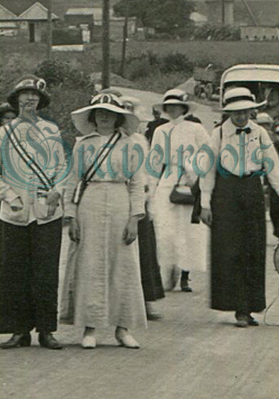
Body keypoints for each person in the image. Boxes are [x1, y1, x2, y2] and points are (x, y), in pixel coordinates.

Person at [0, 76, 72, 350]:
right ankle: (19, 331)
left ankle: (46, 330)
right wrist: (9, 196)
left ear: (41, 101)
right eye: (25, 95)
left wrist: (58, 190)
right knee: (14, 273)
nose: (30, 99)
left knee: (45, 273)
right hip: (15, 212)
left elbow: (62, 167)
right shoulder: (4, 133)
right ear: (16, 99)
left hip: (46, 211)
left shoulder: (51, 130)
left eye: (35, 95)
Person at [198, 87, 279, 328]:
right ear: (229, 113)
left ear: (252, 111)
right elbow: (208, 170)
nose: (241, 117)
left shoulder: (261, 133)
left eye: (245, 112)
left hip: (252, 189)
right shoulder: (219, 134)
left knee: (252, 248)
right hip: (226, 192)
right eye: (236, 112)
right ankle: (237, 308)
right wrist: (205, 204)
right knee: (229, 250)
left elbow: (273, 168)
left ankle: (248, 307)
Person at [59, 93, 149, 349]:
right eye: (99, 112)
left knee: (123, 264)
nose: (104, 117)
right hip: (91, 202)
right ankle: (89, 328)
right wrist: (71, 216)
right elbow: (72, 181)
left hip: (121, 201)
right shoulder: (83, 144)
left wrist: (134, 219)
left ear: (118, 116)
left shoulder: (130, 144)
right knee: (90, 263)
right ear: (92, 116)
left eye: (109, 112)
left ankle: (123, 328)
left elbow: (137, 183)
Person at [148, 89, 209, 293]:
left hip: (191, 180)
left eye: (177, 105)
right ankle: (168, 270)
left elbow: (207, 154)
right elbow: (155, 162)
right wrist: (151, 187)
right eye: (169, 105)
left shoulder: (196, 129)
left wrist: (195, 173)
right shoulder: (160, 130)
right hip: (168, 179)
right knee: (165, 229)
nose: (173, 109)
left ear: (184, 107)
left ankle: (185, 275)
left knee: (189, 231)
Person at [121, 95, 165, 320]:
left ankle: (148, 300)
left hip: (140, 198)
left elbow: (149, 171)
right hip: (116, 197)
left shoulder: (140, 141)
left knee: (145, 251)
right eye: (123, 109)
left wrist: (149, 198)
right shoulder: (112, 139)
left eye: (131, 109)